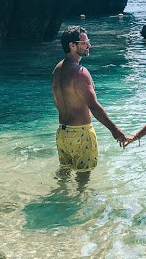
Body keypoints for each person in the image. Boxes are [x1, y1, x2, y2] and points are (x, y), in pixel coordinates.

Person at [52, 26, 128, 171]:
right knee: (83, 182)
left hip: (62, 133)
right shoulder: (80, 73)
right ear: (72, 46)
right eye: (84, 42)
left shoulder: (57, 69)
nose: (89, 45)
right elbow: (93, 106)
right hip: (81, 134)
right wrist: (115, 130)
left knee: (64, 175)